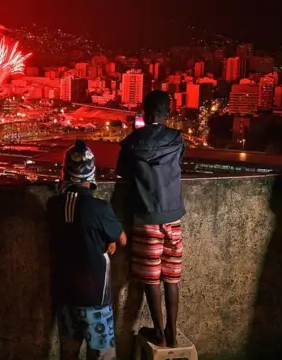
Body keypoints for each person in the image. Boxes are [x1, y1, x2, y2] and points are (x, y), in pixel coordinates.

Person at [116, 90, 186, 347]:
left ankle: (157, 331)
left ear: (144, 113)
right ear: (167, 112)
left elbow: (122, 172)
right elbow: (179, 161)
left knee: (151, 276)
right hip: (173, 217)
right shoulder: (177, 139)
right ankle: (173, 331)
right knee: (172, 276)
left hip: (146, 216)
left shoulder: (132, 142)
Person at [47, 139, 127, 360]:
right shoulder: (99, 209)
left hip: (64, 295)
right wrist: (108, 241)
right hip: (95, 298)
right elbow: (121, 239)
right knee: (101, 355)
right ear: (91, 175)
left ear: (66, 173)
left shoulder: (53, 205)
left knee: (68, 352)